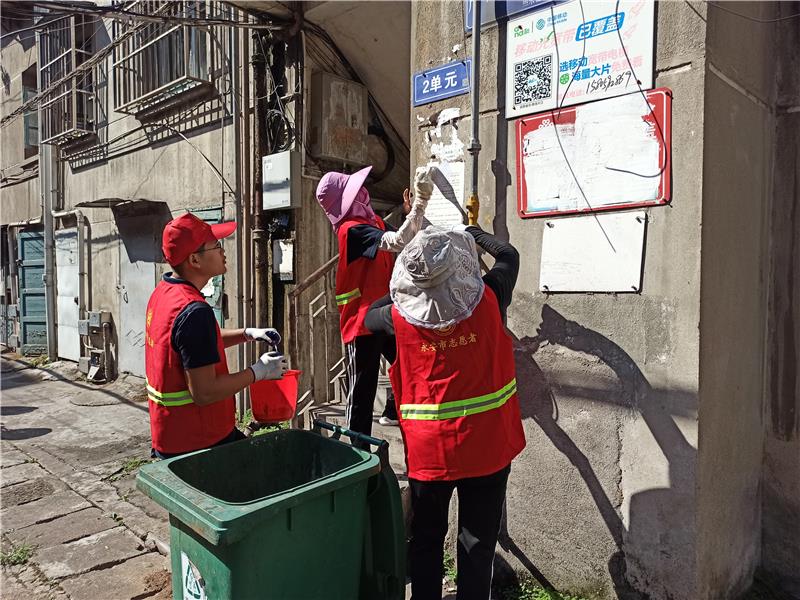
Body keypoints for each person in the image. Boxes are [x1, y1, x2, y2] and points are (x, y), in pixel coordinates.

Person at [364, 224, 526, 600]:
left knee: (426, 540)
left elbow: (370, 315)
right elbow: (509, 255)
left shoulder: (397, 317)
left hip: (429, 453)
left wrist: (408, 287)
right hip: (487, 446)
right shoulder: (491, 296)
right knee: (477, 545)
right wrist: (475, 233)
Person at [145, 212, 288, 459]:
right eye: (216, 245)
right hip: (200, 443)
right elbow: (205, 392)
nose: (223, 251)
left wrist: (247, 334)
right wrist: (259, 372)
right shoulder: (194, 312)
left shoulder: (164, 293)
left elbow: (194, 344)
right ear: (194, 260)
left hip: (173, 435)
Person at [315, 165, 433, 438]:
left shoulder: (373, 222)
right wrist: (420, 203)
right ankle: (357, 449)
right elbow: (397, 241)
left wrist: (410, 214)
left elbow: (407, 238)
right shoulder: (352, 230)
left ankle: (392, 410)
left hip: (385, 314)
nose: (363, 193)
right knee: (362, 392)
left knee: (409, 364)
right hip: (361, 322)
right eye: (356, 191)